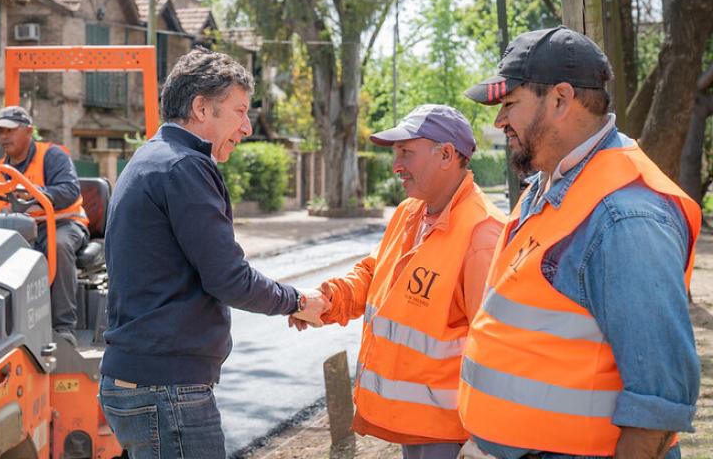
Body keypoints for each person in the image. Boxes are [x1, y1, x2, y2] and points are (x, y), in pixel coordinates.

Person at [457, 26, 701, 459]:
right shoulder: (550, 182)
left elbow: (659, 403)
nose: (499, 122)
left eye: (510, 104)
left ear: (561, 99)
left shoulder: (625, 218)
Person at [99, 47, 330, 458]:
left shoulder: (149, 159)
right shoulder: (186, 166)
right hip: (168, 390)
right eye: (239, 112)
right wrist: (295, 300)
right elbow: (229, 278)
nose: (246, 127)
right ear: (201, 108)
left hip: (139, 382)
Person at [290, 104, 506, 459]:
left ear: (447, 155)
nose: (396, 167)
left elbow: (496, 348)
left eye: (406, 153)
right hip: (416, 428)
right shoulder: (411, 212)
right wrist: (328, 301)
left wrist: (484, 439)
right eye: (395, 155)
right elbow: (377, 275)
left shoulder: (482, 233)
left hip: (453, 435)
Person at [0, 106, 89, 346]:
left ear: (29, 131)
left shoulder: (52, 156)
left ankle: (63, 327)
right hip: (24, 229)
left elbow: (69, 190)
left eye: (10, 130)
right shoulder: (0, 171)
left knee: (58, 246)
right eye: (0, 131)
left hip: (65, 223)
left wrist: (35, 194)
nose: (4, 136)